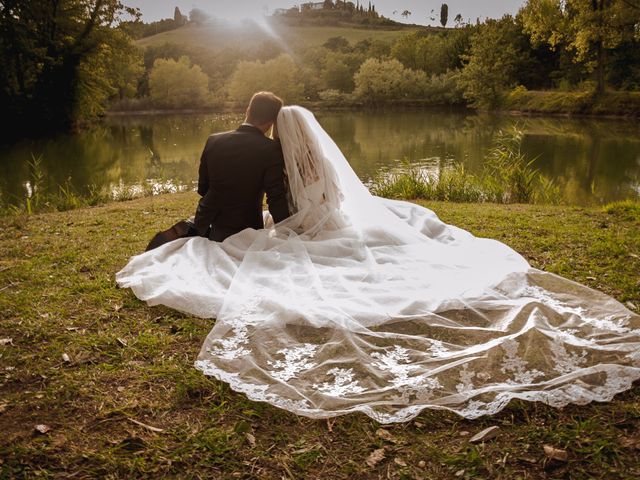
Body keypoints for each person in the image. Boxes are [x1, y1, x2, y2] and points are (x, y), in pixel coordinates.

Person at [117, 106, 640, 423]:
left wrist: (270, 229)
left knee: (312, 260)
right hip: (328, 220)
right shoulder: (290, 156)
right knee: (387, 237)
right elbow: (291, 199)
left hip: (236, 221)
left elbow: (235, 195)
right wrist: (290, 224)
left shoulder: (224, 142)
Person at [143, 92, 289, 250]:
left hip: (206, 222)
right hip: (246, 230)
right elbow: (275, 198)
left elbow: (203, 188)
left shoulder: (214, 140)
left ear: (248, 111)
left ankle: (192, 231)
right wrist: (288, 231)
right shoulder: (271, 149)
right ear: (271, 122)